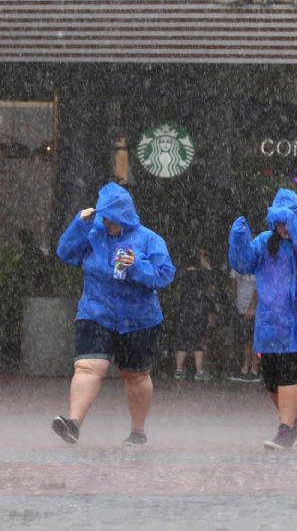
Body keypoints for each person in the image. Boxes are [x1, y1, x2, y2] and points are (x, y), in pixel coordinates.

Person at [52, 182, 176, 446]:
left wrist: (137, 266)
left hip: (139, 320)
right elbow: (65, 253)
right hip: (95, 313)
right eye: (106, 219)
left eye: (115, 220)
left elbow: (164, 276)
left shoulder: (150, 239)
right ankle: (73, 423)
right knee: (87, 367)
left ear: (127, 217)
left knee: (136, 375)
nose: (109, 225)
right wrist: (79, 223)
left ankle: (138, 431)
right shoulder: (91, 233)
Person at [229, 188, 297, 449]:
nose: (283, 228)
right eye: (280, 223)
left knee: (288, 374)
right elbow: (243, 265)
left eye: (288, 222)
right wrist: (239, 240)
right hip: (270, 324)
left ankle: (285, 430)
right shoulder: (264, 241)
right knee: (271, 380)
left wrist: (294, 228)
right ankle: (290, 418)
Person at [174, 248, 215, 382]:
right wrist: (205, 263)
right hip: (199, 310)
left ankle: (179, 370)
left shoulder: (181, 274)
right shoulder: (202, 275)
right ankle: (199, 372)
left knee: (183, 341)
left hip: (183, 310)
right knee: (198, 341)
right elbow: (211, 277)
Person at [228, 267, 259, 382]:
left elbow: (258, 289)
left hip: (254, 311)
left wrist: (252, 307)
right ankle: (245, 367)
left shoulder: (256, 266)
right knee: (245, 340)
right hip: (241, 308)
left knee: (253, 339)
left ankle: (254, 369)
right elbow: (233, 283)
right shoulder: (238, 264)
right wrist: (235, 301)